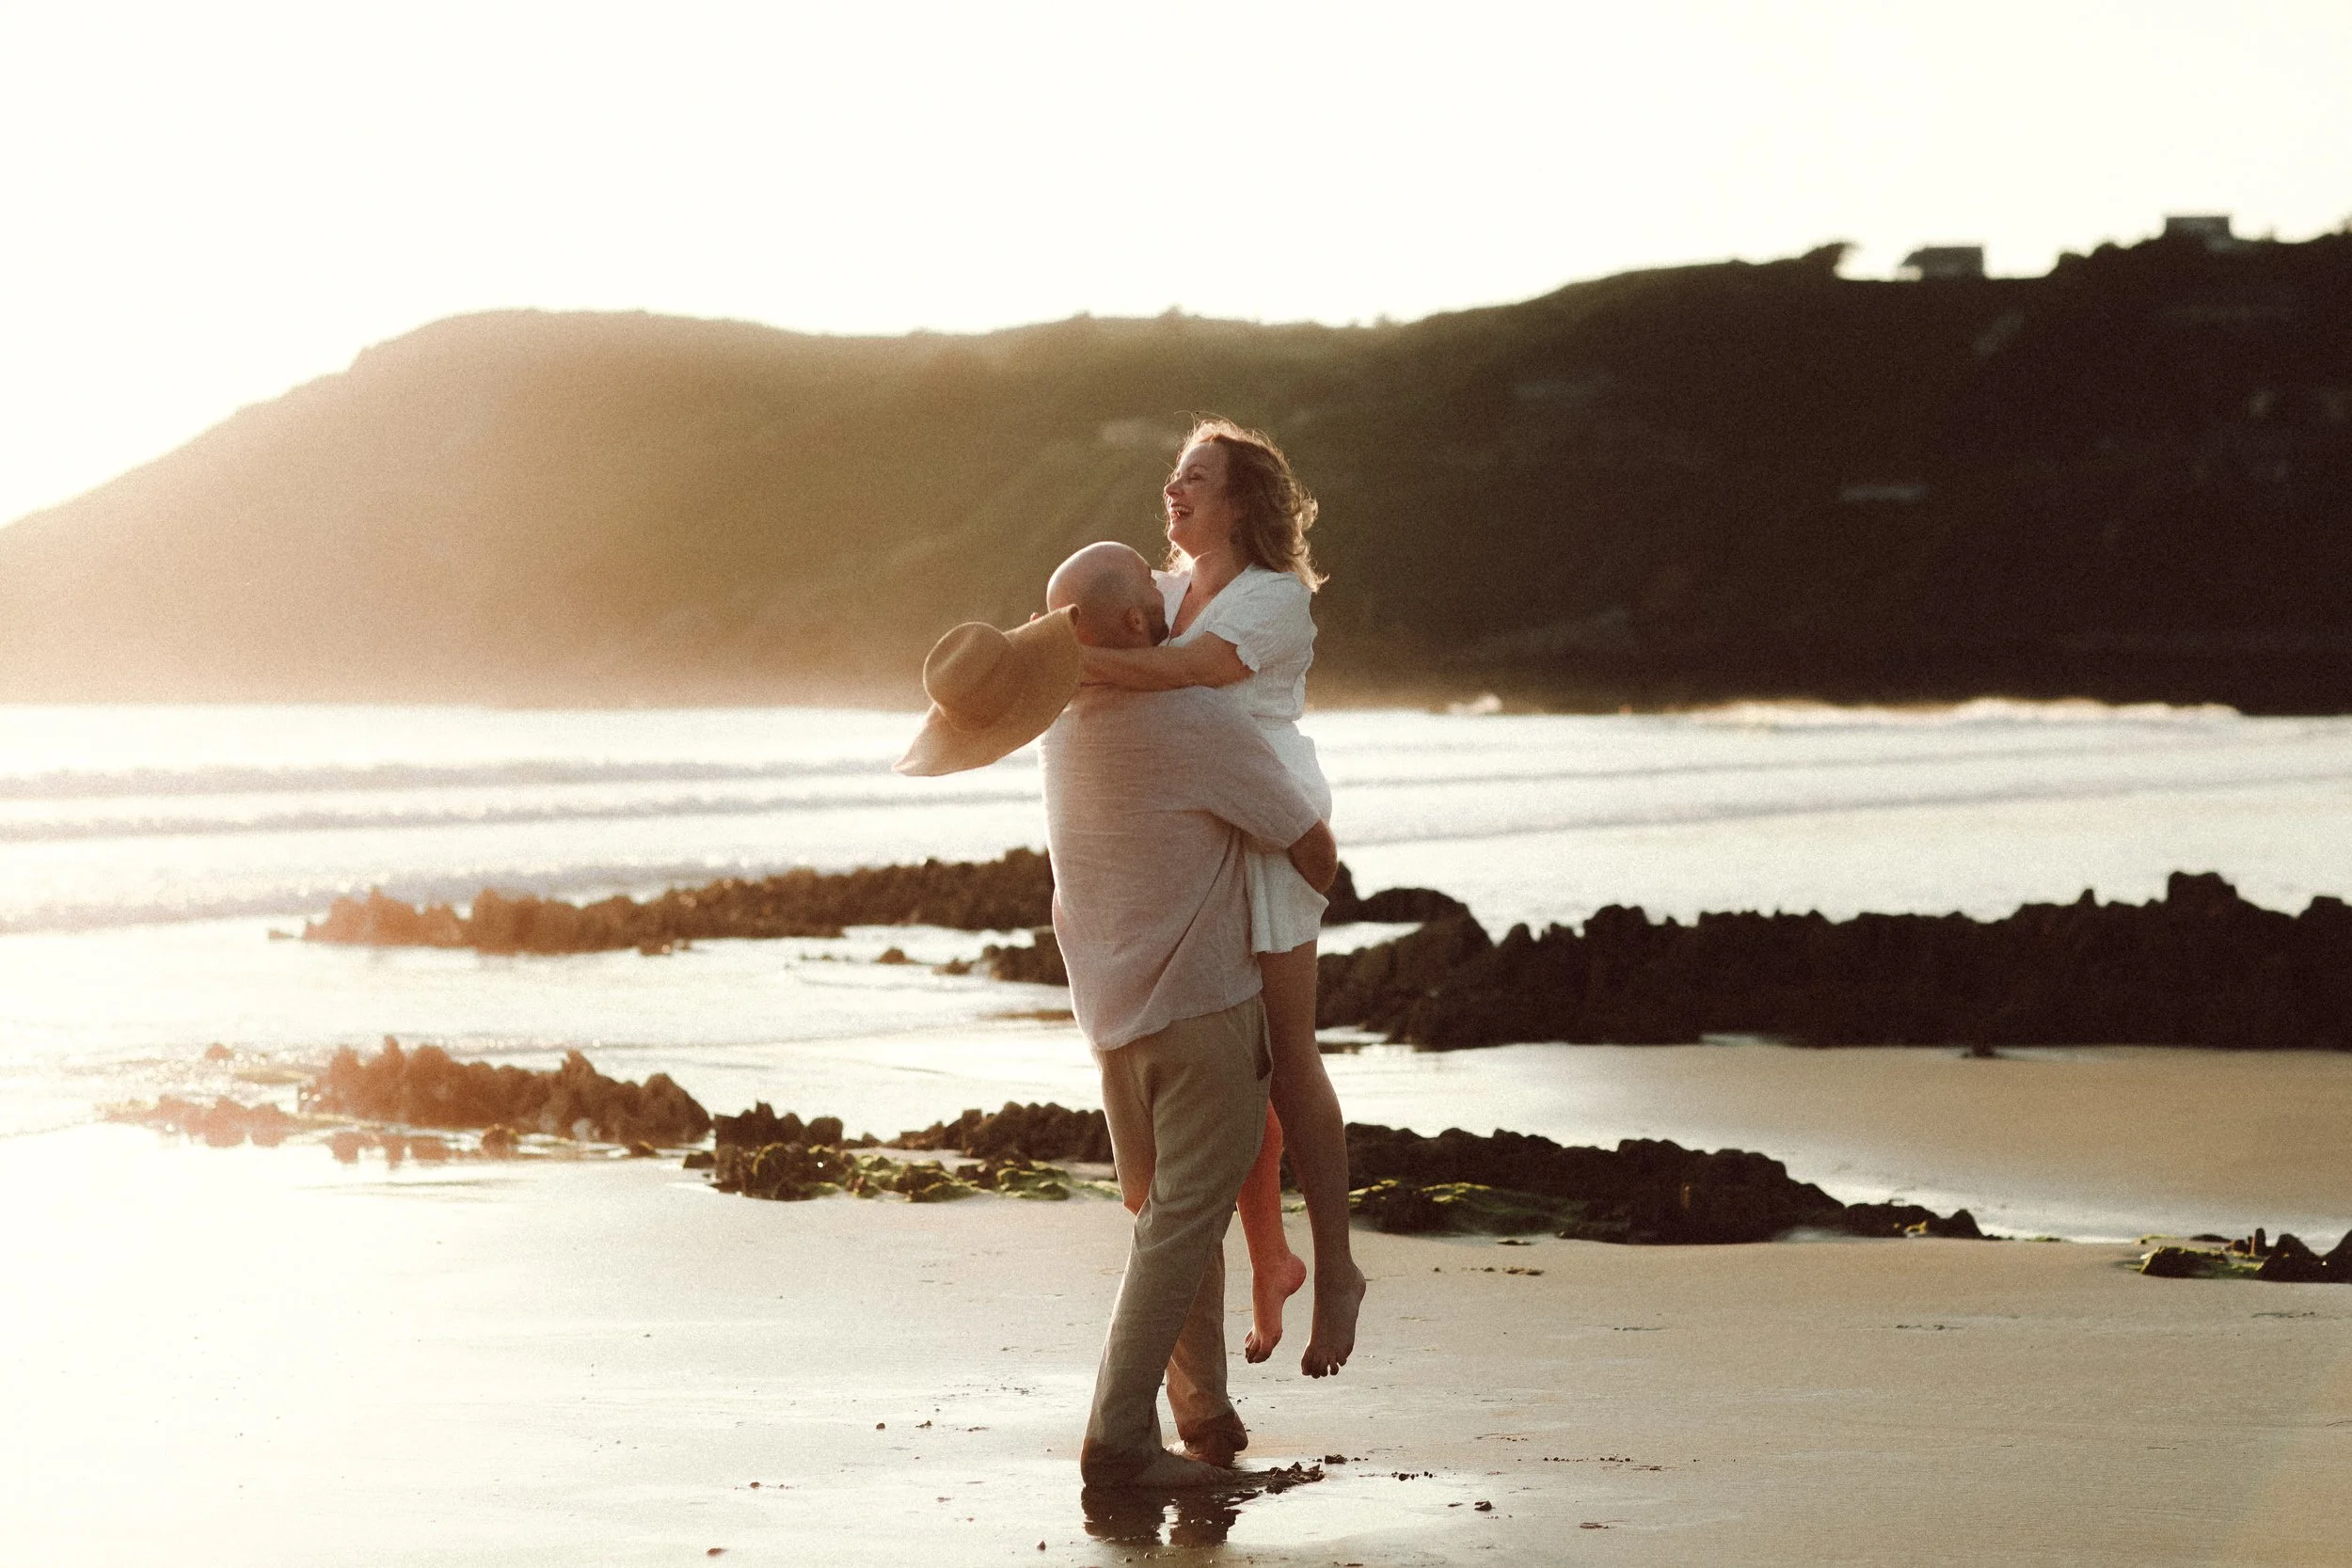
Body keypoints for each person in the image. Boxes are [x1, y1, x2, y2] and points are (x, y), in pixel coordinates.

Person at [896, 550, 1338, 1488]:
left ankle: (1203, 1413)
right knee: (1179, 1223)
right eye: (1153, 590)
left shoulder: (1058, 730)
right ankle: (1120, 1436)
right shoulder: (1194, 718)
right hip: (1202, 1013)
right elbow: (1310, 846)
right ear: (1137, 624)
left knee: (1166, 1213)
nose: (1168, 596)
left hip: (1109, 1024)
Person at [1074, 418, 1364, 1379]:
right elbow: (1104, 623)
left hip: (1274, 832)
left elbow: (1188, 674)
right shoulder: (1165, 591)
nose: (1173, 489)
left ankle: (1336, 1275)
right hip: (1204, 831)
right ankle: (1270, 1254)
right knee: (1229, 1063)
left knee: (1286, 1060)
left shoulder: (1273, 599)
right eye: (1173, 475)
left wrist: (1065, 669)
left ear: (1240, 500)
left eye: (1194, 476)